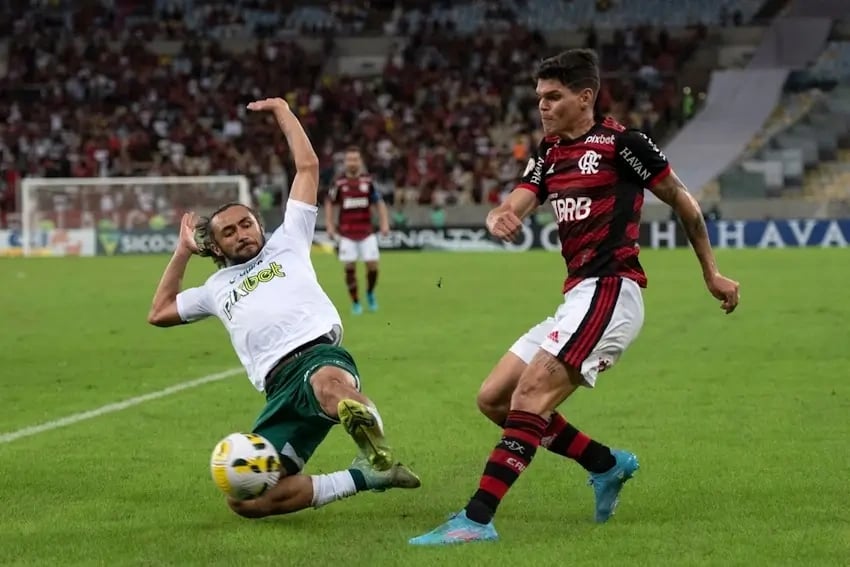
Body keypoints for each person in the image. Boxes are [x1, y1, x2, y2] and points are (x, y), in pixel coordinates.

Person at [409, 48, 740, 546]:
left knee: (529, 396)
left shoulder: (622, 144)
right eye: (539, 96)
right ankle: (605, 464)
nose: (542, 105)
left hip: (612, 289)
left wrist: (711, 273)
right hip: (577, 296)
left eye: (553, 96)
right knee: (494, 398)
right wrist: (501, 214)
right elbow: (518, 200)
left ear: (585, 97)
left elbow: (683, 200)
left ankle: (476, 519)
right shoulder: (548, 152)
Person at [146, 97, 420, 519]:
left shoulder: (288, 240)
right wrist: (182, 251)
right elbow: (159, 312)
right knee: (246, 499)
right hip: (279, 391)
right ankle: (366, 476)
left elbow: (307, 167)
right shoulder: (214, 287)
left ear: (260, 224)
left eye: (246, 224)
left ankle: (368, 429)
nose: (241, 234)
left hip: (318, 356)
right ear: (215, 246)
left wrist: (282, 113)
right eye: (229, 232)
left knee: (330, 389)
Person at [324, 146, 390, 315]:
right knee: (349, 267)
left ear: (360, 161)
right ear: (345, 162)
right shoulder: (339, 183)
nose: (352, 162)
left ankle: (369, 293)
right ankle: (355, 302)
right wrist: (330, 225)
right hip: (347, 233)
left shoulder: (368, 182)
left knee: (373, 266)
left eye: (355, 159)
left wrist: (384, 223)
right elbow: (330, 203)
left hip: (366, 231)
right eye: (349, 159)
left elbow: (379, 203)